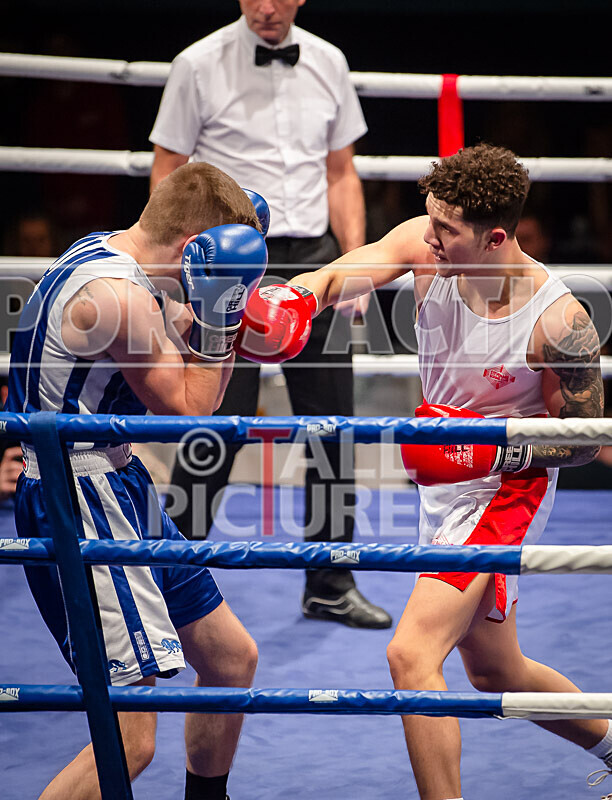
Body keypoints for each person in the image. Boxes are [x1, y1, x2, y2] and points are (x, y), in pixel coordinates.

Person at [242, 143, 611, 798]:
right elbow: (338, 276)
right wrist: (294, 300)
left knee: (411, 655)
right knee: (496, 671)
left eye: (447, 228)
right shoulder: (426, 247)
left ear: (496, 236)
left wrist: (490, 448)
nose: (429, 236)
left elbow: (583, 441)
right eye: (430, 219)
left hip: (506, 490)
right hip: (445, 479)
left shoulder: (558, 320)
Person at [6, 162, 268, 800]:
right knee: (129, 738)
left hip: (116, 482)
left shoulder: (107, 258)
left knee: (232, 659)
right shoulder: (118, 296)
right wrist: (225, 312)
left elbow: (164, 337)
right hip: (80, 496)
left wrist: (246, 311)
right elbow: (190, 412)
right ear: (193, 249)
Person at [148, 0, 391, 628]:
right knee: (213, 426)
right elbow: (168, 172)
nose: (265, 8)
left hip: (315, 262)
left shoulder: (329, 62)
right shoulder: (197, 64)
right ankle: (172, 575)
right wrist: (174, 271)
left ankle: (330, 583)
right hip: (228, 259)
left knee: (333, 426)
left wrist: (357, 262)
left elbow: (341, 172)